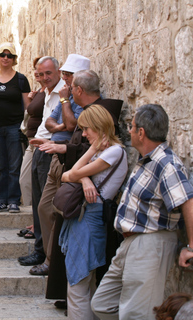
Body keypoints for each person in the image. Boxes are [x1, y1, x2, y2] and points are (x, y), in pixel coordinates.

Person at [91, 104, 193, 319]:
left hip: (150, 244)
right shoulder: (146, 161)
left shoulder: (166, 164)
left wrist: (191, 247)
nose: (129, 131)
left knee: (137, 314)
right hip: (131, 242)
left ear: (141, 132)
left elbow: (187, 202)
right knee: (102, 304)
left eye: (132, 126)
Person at [58, 104, 127, 319]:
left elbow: (71, 174)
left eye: (87, 129)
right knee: (82, 283)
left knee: (79, 283)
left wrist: (88, 157)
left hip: (90, 218)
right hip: (85, 218)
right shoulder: (104, 151)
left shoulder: (115, 151)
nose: (84, 134)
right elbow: (66, 175)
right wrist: (85, 178)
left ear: (99, 126)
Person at [26, 54, 90, 275]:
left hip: (65, 157)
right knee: (43, 206)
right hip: (50, 149)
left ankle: (52, 261)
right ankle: (47, 255)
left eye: (68, 75)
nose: (65, 79)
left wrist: (64, 107)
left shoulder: (71, 97)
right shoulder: (68, 95)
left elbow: (72, 124)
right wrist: (61, 125)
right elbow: (51, 122)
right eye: (65, 74)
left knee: (54, 208)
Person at [18, 56, 64, 267]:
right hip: (39, 147)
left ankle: (47, 255)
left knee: (45, 206)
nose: (45, 78)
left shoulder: (63, 93)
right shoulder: (46, 92)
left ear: (58, 71)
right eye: (41, 74)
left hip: (50, 149)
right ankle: (40, 250)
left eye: (49, 73)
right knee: (38, 203)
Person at [0, 42, 30, 214]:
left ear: (14, 59)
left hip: (14, 128)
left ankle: (14, 201)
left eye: (9, 55)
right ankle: (1, 200)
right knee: (1, 166)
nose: (6, 58)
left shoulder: (21, 79)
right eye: (3, 55)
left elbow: (27, 107)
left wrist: (27, 129)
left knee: (14, 166)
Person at [18, 56, 45, 211]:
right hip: (31, 140)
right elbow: (29, 115)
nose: (37, 73)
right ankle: (35, 220)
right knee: (26, 180)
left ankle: (37, 224)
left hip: (41, 141)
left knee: (37, 182)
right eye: (36, 69)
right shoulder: (38, 92)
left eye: (41, 71)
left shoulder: (52, 92)